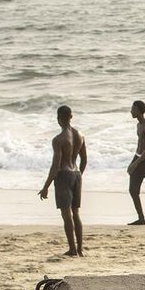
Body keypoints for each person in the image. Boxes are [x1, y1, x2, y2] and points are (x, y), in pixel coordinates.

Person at [39, 104, 88, 257]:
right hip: (76, 174)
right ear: (71, 117)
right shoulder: (80, 135)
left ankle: (72, 249)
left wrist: (46, 186)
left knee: (66, 215)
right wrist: (78, 175)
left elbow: (56, 166)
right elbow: (84, 160)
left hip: (64, 176)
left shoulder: (59, 139)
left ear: (59, 119)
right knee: (76, 213)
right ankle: (80, 249)